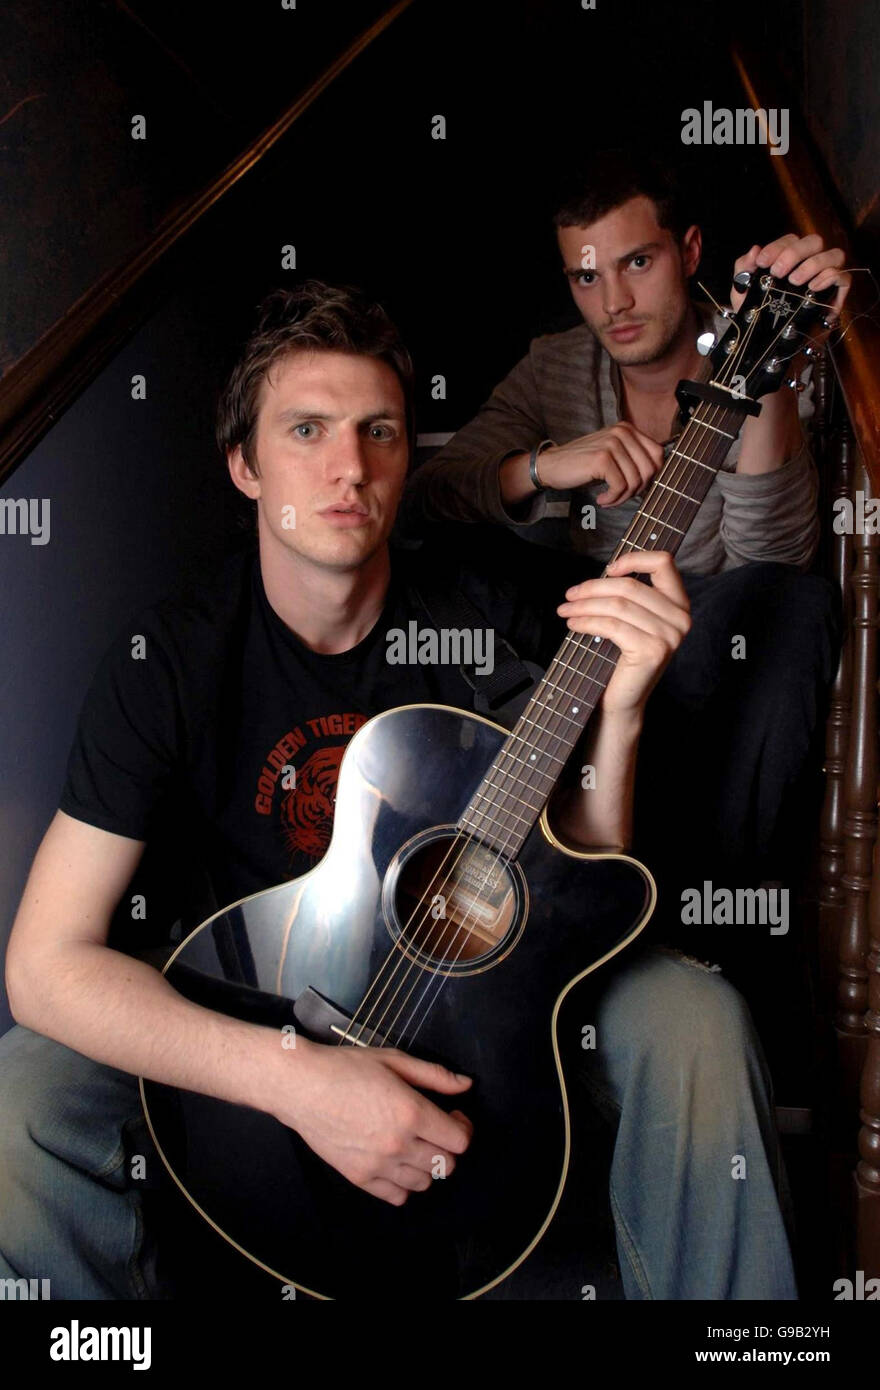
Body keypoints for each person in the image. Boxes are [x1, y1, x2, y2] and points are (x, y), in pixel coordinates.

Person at [1, 281, 796, 1300]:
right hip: (254, 1001)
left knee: (696, 1018)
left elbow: (579, 881)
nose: (349, 466)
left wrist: (627, 707)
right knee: (26, 1089)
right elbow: (44, 964)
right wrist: (297, 1079)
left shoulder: (482, 612)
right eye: (307, 430)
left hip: (486, 979)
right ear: (245, 466)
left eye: (380, 431)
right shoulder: (169, 660)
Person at [398, 149, 845, 909]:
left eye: (637, 261)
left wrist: (762, 363)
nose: (614, 302)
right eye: (586, 276)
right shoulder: (555, 366)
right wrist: (544, 465)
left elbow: (770, 558)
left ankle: (712, 914)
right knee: (440, 561)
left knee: (790, 609)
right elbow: (425, 497)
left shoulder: (755, 340)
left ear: (689, 252)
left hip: (705, 630)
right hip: (577, 619)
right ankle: (471, 819)